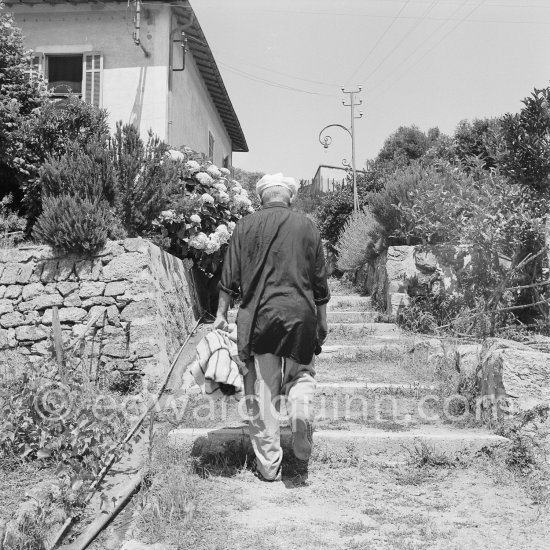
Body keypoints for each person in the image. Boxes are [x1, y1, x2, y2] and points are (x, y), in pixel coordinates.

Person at [214, 173, 330, 482]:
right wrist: (323, 319)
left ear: (261, 198)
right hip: (300, 315)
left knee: (263, 392)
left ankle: (269, 467)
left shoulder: (245, 226)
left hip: (259, 318)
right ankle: (300, 408)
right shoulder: (308, 227)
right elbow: (319, 279)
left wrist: (220, 313)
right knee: (302, 375)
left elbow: (230, 272)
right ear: (290, 198)